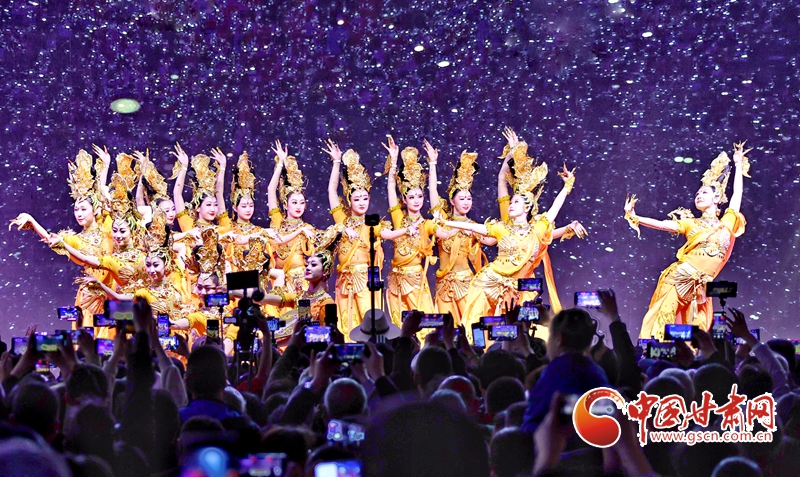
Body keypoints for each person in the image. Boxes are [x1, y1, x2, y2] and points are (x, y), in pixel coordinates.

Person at [438, 132, 581, 342]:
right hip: (492, 280)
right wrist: (447, 223)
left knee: (525, 327)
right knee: (478, 321)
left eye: (515, 202)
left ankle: (526, 351)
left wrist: (567, 187)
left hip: (521, 286)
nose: (510, 205)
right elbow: (476, 227)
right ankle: (476, 349)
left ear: (527, 207)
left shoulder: (537, 229)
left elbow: (553, 210)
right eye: (511, 202)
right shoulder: (501, 228)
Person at [624, 142, 750, 339]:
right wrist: (635, 217)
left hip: (701, 287)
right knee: (663, 319)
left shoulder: (728, 221)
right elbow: (662, 224)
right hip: (678, 279)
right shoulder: (690, 223)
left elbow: (737, 195)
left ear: (717, 198)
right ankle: (651, 351)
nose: (698, 195)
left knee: (696, 331)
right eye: (697, 193)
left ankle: (689, 356)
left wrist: (738, 164)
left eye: (704, 192)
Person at [10, 147, 113, 329]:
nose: (79, 213)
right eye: (76, 209)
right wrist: (32, 221)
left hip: (114, 292)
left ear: (95, 210)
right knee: (90, 339)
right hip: (91, 297)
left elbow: (104, 200)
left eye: (83, 209)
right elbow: (52, 239)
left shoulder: (108, 227)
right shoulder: (76, 240)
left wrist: (105, 166)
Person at [323, 140, 410, 334]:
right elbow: (331, 191)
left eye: (365, 198)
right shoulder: (342, 221)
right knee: (346, 324)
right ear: (349, 200)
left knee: (369, 322)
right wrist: (336, 162)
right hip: (345, 281)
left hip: (366, 281)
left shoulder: (373, 223)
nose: (361, 202)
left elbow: (389, 234)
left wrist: (406, 230)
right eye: (357, 199)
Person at [425, 140, 496, 326]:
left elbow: (490, 241)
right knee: (445, 329)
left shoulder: (473, 226)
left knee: (469, 327)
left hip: (465, 284)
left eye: (469, 198)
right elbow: (432, 191)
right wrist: (432, 163)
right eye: (462, 198)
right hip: (443, 284)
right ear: (452, 200)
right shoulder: (442, 221)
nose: (466, 202)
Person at [384, 136, 436, 326]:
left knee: (421, 324)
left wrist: (433, 164)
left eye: (419, 196)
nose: (416, 200)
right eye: (411, 197)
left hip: (415, 281)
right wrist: (393, 161)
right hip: (395, 280)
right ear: (404, 200)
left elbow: (444, 234)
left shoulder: (427, 224)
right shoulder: (398, 218)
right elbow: (391, 187)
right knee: (399, 325)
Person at [256, 232, 339, 339]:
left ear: (325, 271)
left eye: (313, 265)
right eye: (307, 264)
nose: (308, 268)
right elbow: (272, 298)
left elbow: (325, 337)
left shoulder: (326, 303)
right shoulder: (300, 298)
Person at [267, 140, 318, 299]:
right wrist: (280, 164)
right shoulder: (278, 221)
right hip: (280, 280)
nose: (298, 206)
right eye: (294, 202)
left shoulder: (308, 228)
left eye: (302, 203)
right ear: (285, 204)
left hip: (300, 281)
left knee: (302, 313)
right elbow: (270, 190)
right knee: (280, 313)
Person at [171, 144, 232, 235]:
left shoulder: (222, 230)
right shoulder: (191, 228)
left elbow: (219, 194)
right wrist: (184, 167)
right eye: (208, 204)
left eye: (215, 205)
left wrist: (222, 167)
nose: (213, 209)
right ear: (198, 207)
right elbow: (177, 194)